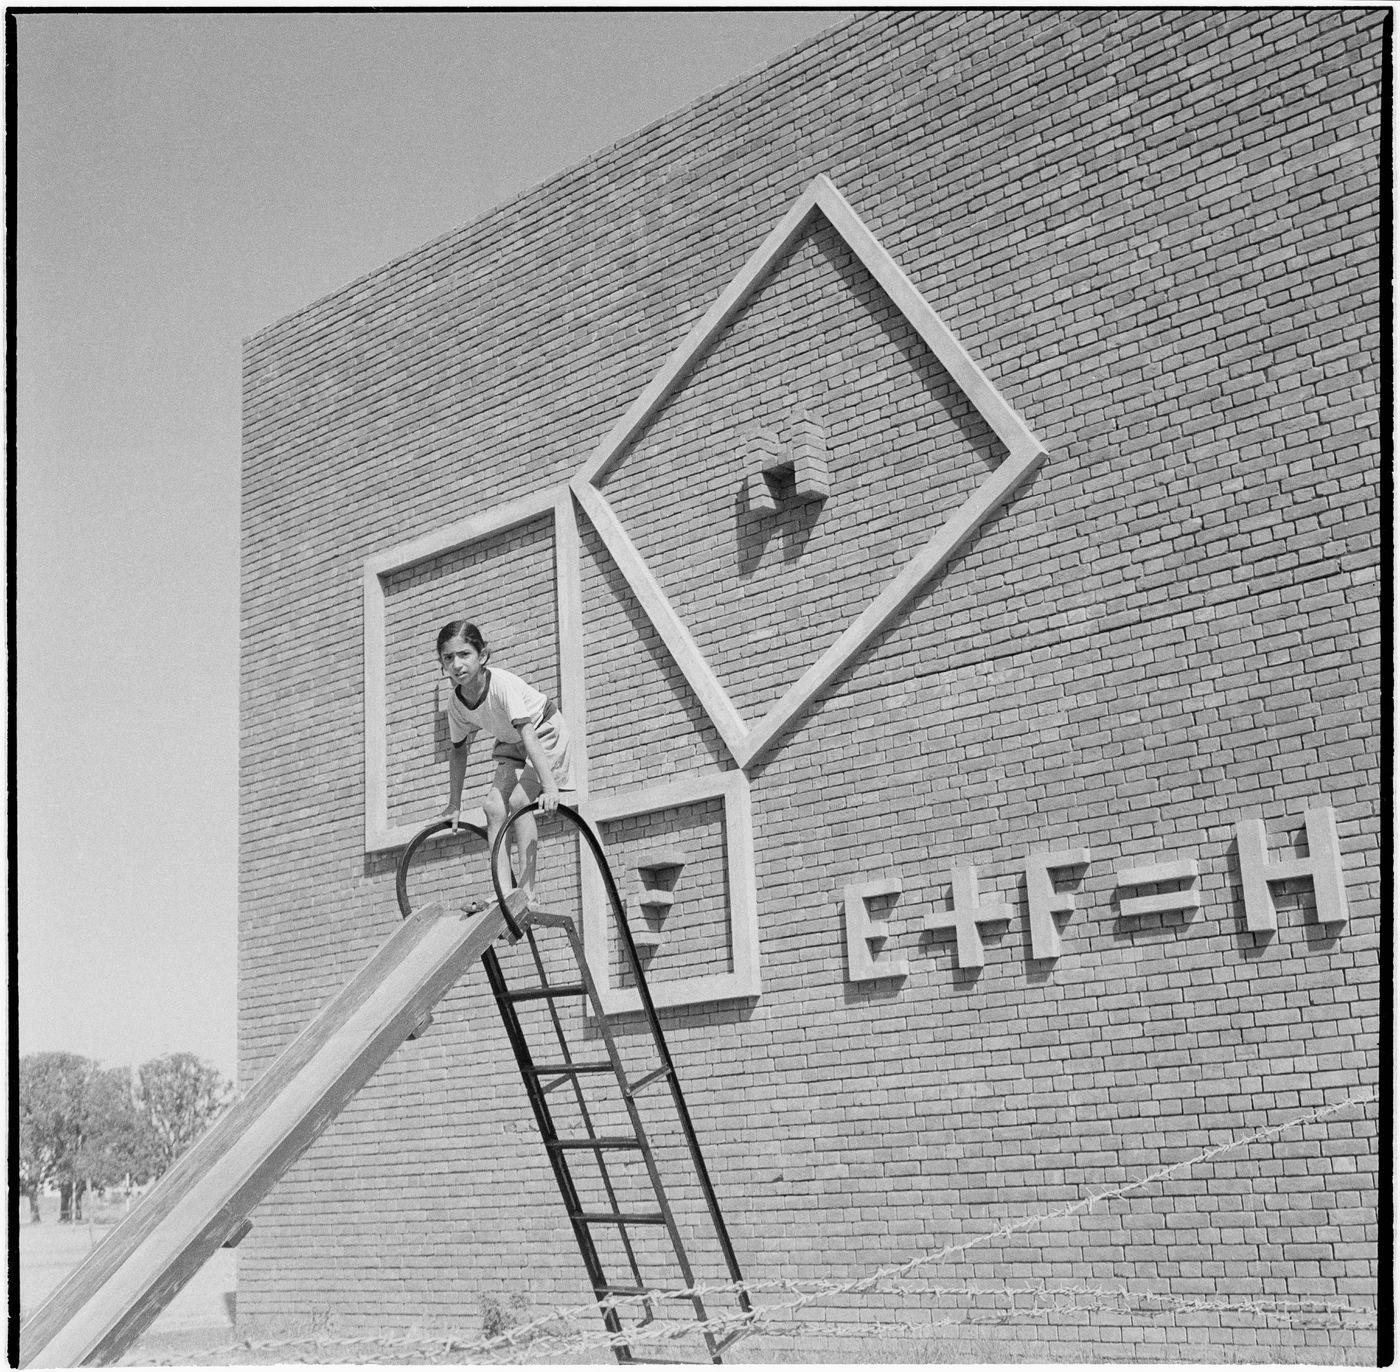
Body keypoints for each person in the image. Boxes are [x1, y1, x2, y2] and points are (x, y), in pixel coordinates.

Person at [435, 620, 577, 912]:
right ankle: (502, 892)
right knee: (493, 807)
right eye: (449, 658)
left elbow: (528, 733)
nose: (457, 664)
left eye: (464, 654)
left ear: (482, 655)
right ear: (442, 665)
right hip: (512, 739)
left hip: (543, 731)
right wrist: (454, 802)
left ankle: (527, 892)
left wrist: (549, 787)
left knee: (519, 801)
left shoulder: (500, 684)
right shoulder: (456, 703)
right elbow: (458, 751)